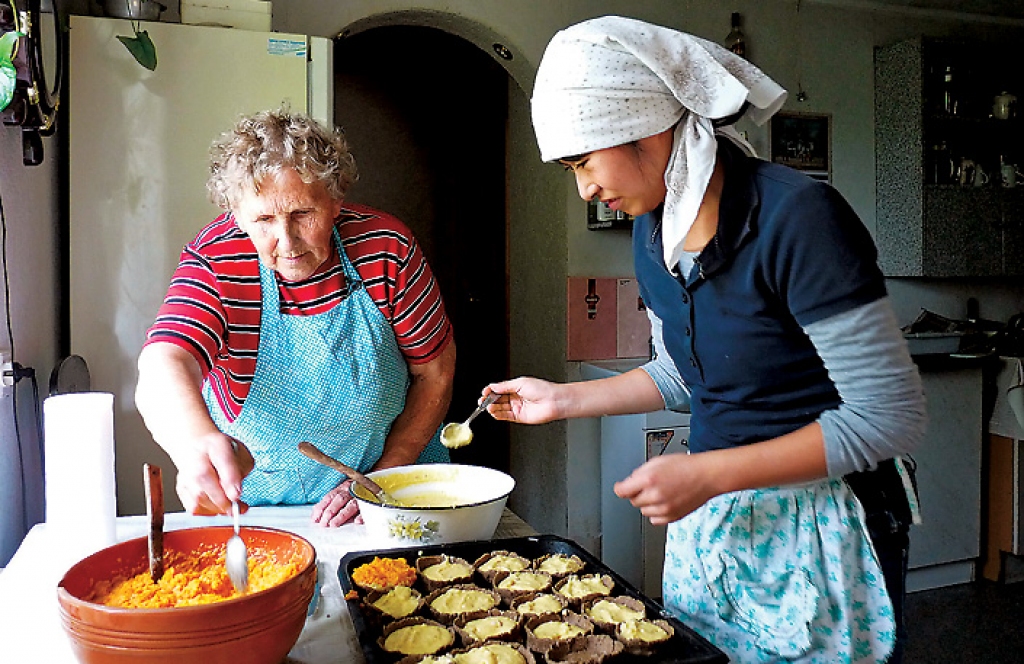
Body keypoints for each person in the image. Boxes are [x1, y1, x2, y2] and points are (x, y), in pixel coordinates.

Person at [484, 16, 926, 663]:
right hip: (720, 521)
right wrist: (562, 399)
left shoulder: (798, 219)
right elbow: (684, 376)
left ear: (647, 129)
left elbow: (887, 418)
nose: (585, 188)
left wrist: (709, 473)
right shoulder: (653, 232)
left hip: (820, 524)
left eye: (584, 161)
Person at [135, 108, 456, 527]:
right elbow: (164, 363)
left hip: (390, 490)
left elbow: (435, 374)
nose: (286, 241)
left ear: (336, 201)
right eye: (263, 220)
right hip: (260, 510)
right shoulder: (217, 259)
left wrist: (381, 480)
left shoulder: (384, 248)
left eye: (303, 214)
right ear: (237, 215)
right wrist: (193, 444)